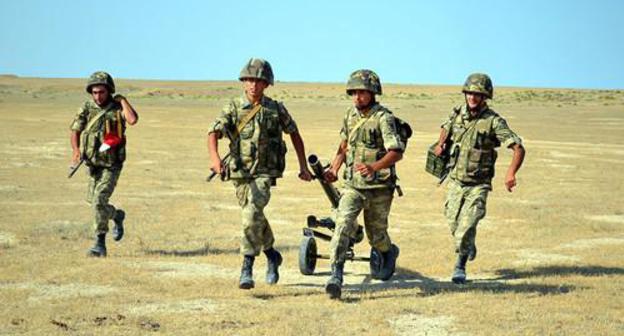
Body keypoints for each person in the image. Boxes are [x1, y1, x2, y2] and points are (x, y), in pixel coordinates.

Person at [207, 58, 313, 289]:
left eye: (259, 80)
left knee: (251, 213)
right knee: (253, 216)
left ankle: (247, 266)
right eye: (249, 80)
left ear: (267, 84)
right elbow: (213, 132)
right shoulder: (233, 108)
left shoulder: (275, 108)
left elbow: (294, 134)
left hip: (265, 172)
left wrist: (303, 166)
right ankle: (272, 254)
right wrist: (215, 158)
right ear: (243, 82)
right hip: (240, 173)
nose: (253, 85)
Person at [433, 73, 525, 284]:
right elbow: (445, 127)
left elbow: (518, 147)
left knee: (467, 226)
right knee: (454, 223)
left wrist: (511, 173)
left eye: (478, 94)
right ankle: (468, 244)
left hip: (478, 184)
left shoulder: (493, 122)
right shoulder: (457, 113)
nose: (472, 98)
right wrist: (441, 144)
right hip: (455, 180)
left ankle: (460, 266)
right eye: (470, 93)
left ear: (485, 97)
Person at [322, 69, 404, 299]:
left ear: (373, 93)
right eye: (354, 92)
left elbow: (396, 152)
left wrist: (374, 167)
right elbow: (343, 146)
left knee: (376, 236)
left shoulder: (383, 118)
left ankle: (388, 251)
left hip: (379, 189)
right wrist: (334, 169)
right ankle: (335, 276)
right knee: (343, 223)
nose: (357, 97)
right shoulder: (349, 116)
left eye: (363, 92)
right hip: (353, 186)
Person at [69, 71, 138, 257]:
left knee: (99, 200)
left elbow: (132, 120)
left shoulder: (117, 108)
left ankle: (99, 244)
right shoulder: (87, 108)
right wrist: (76, 151)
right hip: (93, 165)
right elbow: (75, 130)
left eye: (102, 92)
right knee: (95, 204)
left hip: (111, 165)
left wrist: (122, 100)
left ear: (109, 91)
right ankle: (116, 215)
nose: (98, 96)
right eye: (94, 92)